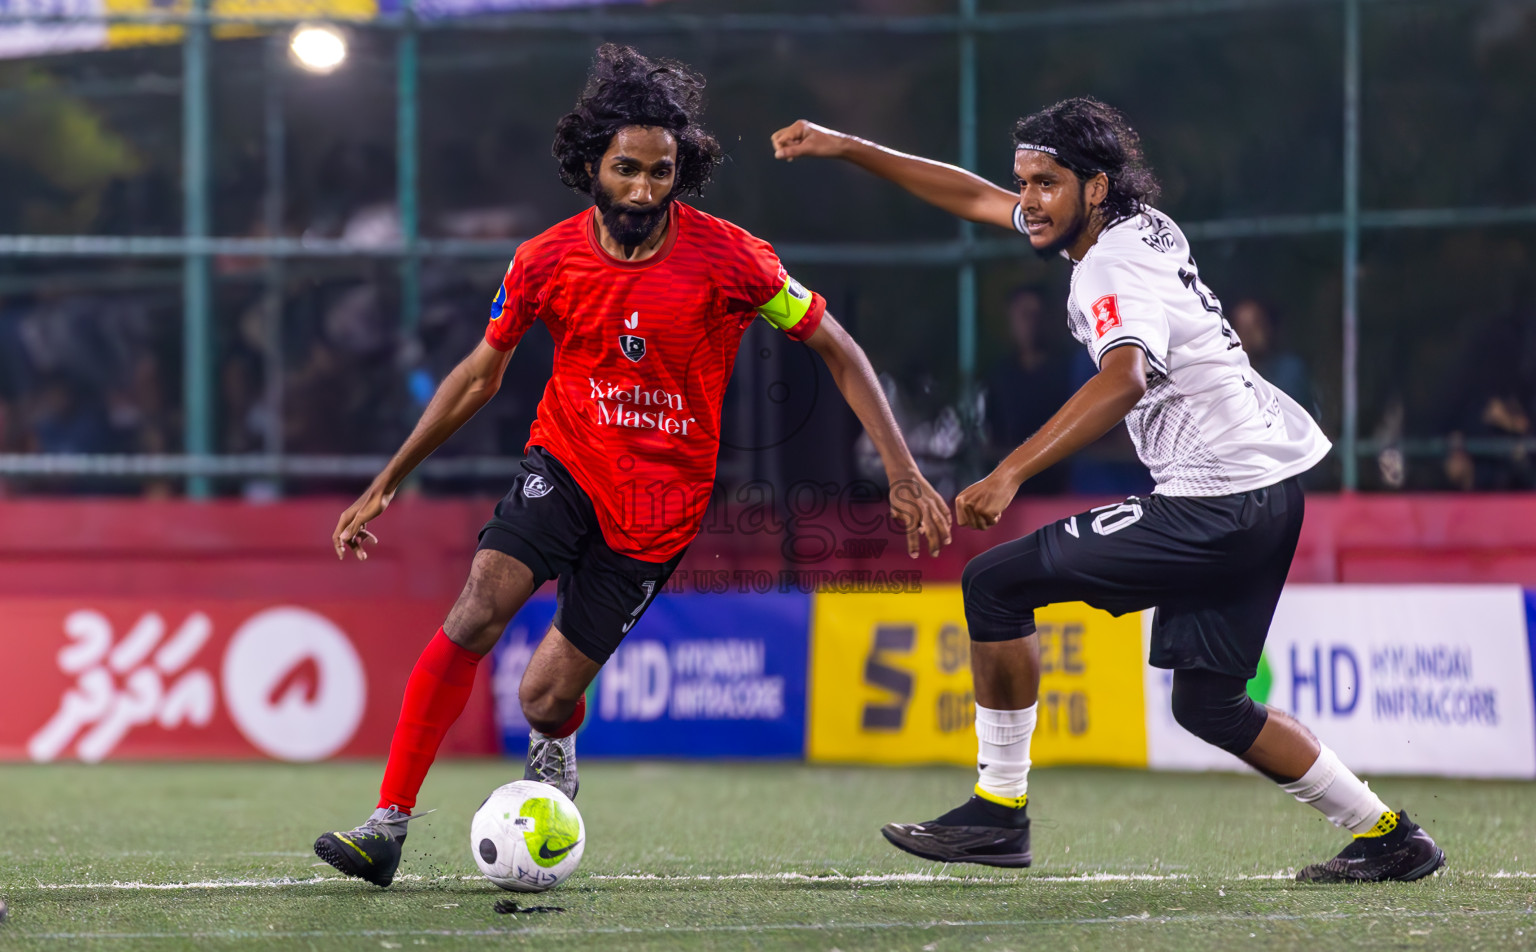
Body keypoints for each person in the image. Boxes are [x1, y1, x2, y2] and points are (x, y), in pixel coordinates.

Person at [313, 45, 952, 888]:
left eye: (662, 172)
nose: (646, 191)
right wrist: (387, 479)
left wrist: (903, 470)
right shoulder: (543, 261)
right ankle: (386, 825)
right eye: (628, 171)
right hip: (565, 463)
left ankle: (555, 744)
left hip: (658, 507)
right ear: (590, 167)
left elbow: (836, 346)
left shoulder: (736, 261)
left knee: (543, 698)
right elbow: (478, 374)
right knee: (477, 609)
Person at [771, 98, 1445, 883]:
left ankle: (998, 810)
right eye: (1024, 182)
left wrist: (1010, 470)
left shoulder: (1108, 265)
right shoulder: (1139, 224)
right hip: (1269, 488)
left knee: (994, 582)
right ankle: (1389, 834)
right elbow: (972, 198)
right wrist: (849, 145)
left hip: (1214, 501)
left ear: (1094, 188)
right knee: (1209, 704)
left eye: (1045, 184)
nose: (1026, 201)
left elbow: (1123, 379)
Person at [982, 286, 1070, 494]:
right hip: (1009, 484)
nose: (1030, 323)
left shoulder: (1066, 371)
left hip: (1056, 483)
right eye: (1023, 315)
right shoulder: (998, 375)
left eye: (1035, 315)